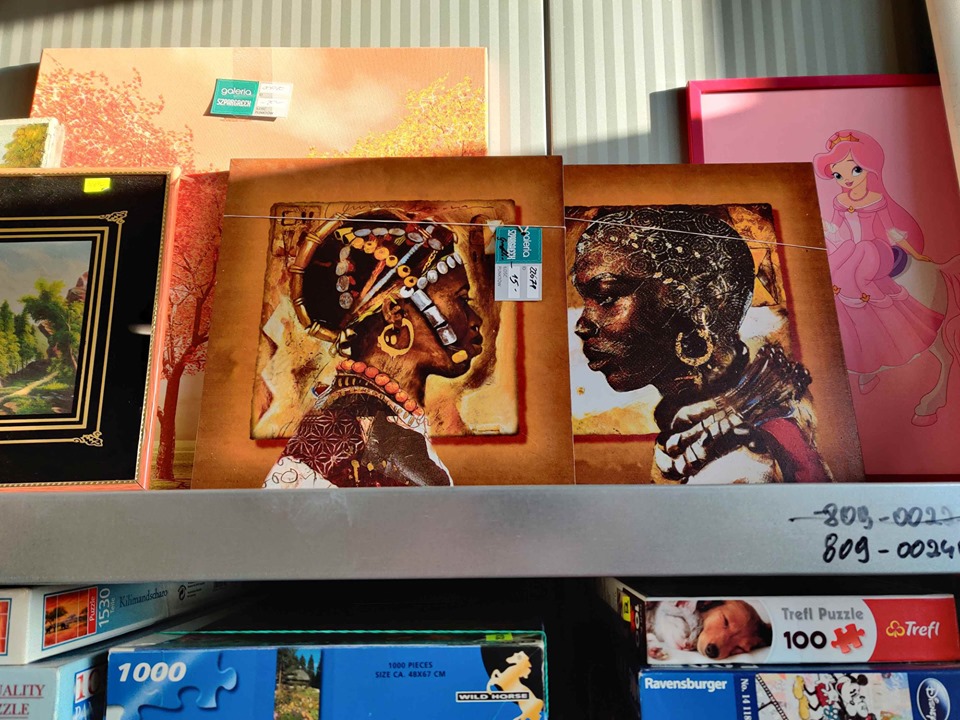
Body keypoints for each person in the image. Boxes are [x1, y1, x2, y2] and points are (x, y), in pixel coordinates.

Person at [571, 205, 831, 484]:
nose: (582, 325)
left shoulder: (740, 464)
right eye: (585, 300)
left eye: (607, 296)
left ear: (690, 307)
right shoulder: (698, 432)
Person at [263, 209, 484, 488]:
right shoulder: (358, 429)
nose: (475, 320)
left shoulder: (358, 417)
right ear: (395, 312)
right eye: (461, 299)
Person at [813, 130, 943, 394]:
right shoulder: (839, 201)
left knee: (857, 255)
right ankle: (863, 361)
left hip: (878, 250)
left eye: (855, 170)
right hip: (853, 250)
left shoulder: (877, 199)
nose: (847, 180)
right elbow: (835, 231)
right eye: (838, 175)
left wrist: (916, 254)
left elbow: (891, 231)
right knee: (839, 265)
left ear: (868, 168)